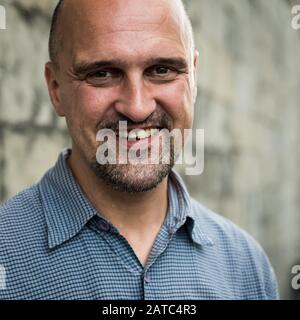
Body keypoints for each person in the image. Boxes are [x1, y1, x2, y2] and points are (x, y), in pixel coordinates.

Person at [0, 0, 279, 300]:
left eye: (161, 70)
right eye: (103, 73)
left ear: (193, 79)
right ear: (56, 89)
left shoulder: (248, 268)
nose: (137, 107)